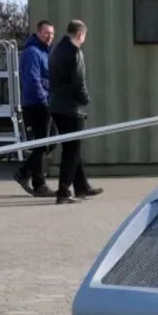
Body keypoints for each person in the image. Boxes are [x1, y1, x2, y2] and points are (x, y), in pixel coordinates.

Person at [48, 19, 102, 204]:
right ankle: (63, 191)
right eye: (84, 36)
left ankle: (81, 186)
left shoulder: (56, 50)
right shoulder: (74, 52)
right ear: (80, 34)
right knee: (71, 150)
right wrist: (85, 99)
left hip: (56, 105)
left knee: (72, 147)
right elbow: (78, 82)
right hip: (70, 107)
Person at [14, 20, 56, 197]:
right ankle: (39, 184)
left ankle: (24, 173)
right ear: (38, 33)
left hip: (45, 102)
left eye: (52, 33)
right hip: (37, 104)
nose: (49, 36)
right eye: (46, 33)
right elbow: (33, 80)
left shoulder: (44, 52)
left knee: (51, 141)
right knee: (41, 143)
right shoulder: (32, 53)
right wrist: (44, 100)